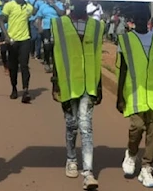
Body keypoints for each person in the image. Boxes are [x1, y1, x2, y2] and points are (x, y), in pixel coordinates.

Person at [51, 13, 104, 190]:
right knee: (71, 124)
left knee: (86, 126)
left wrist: (100, 86)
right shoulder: (58, 25)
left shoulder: (96, 26)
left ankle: (88, 172)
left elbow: (97, 57)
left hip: (89, 84)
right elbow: (55, 54)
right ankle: (71, 159)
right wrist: (55, 83)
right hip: (68, 83)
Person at [116, 3, 153, 188]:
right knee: (136, 127)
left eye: (143, 17)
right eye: (137, 18)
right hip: (135, 94)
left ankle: (146, 167)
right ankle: (131, 152)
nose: (140, 21)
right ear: (133, 21)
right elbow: (122, 70)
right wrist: (119, 97)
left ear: (149, 19)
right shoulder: (126, 40)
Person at [0, 0, 34, 103]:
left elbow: (27, 21)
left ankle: (26, 90)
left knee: (24, 65)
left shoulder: (29, 7)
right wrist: (6, 35)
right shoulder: (9, 5)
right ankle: (14, 88)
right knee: (13, 67)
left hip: (25, 40)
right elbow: (0, 19)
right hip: (12, 41)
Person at [34, 0, 66, 72]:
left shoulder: (59, 4)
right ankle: (47, 62)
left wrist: (54, 5)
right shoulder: (43, 6)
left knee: (56, 46)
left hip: (57, 28)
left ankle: (56, 63)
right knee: (47, 46)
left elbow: (61, 14)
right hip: (46, 28)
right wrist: (39, 27)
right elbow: (39, 18)